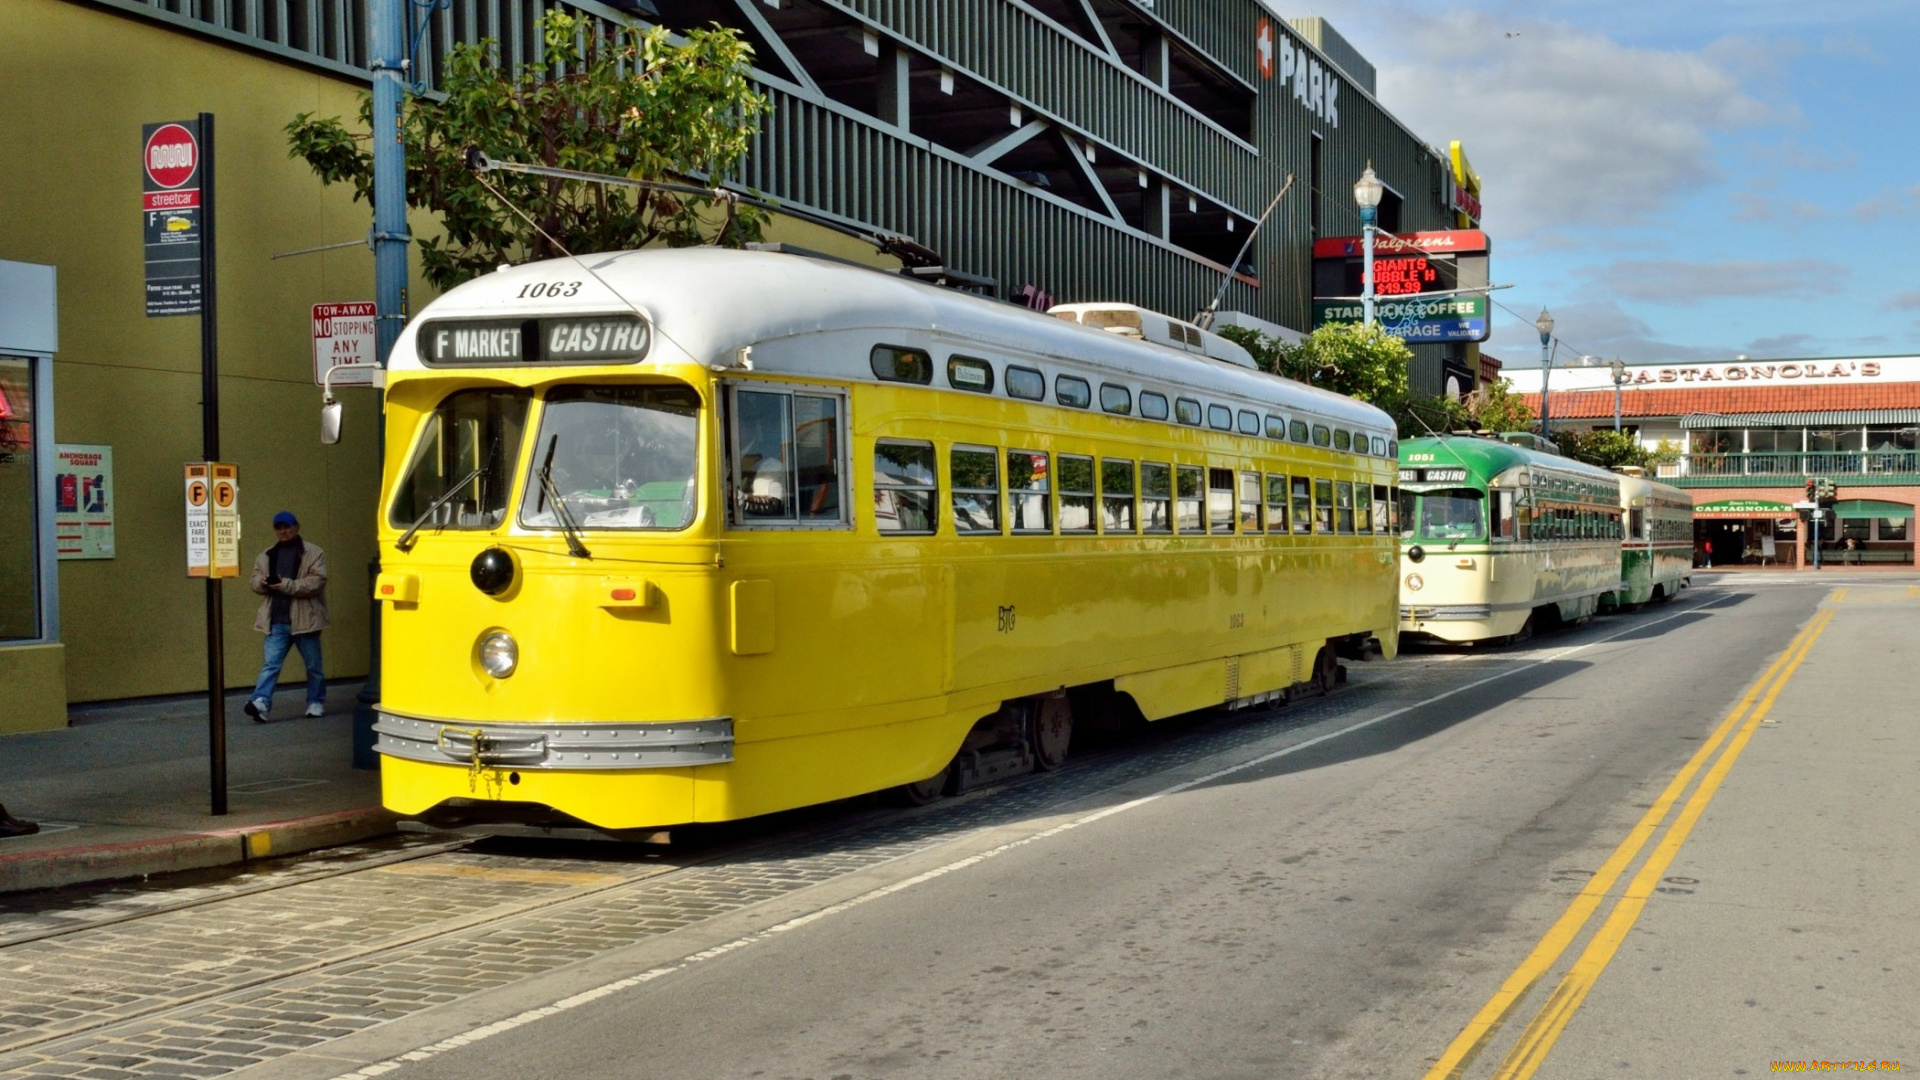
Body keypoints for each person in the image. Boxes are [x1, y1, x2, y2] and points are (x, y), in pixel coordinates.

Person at [244, 511, 329, 722]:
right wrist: (262, 582)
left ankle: (315, 701)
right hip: (276, 620)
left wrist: (285, 585)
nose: (283, 531)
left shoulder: (313, 552)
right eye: (279, 528)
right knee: (271, 665)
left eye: (287, 527)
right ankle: (261, 702)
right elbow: (254, 581)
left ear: (297, 527)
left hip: (306, 620)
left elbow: (317, 582)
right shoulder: (267, 555)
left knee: (313, 666)